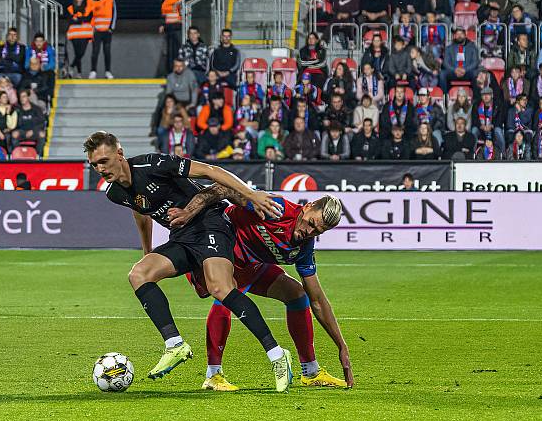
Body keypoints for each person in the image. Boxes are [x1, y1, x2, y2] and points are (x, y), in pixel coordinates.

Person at [83, 131, 293, 391]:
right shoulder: (114, 193)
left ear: (120, 154)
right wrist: (147, 250)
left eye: (104, 161)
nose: (100, 168)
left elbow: (210, 171)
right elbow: (141, 212)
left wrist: (250, 194)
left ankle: (277, 354)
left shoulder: (153, 165)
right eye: (94, 164)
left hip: (210, 223)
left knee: (221, 289)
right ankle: (175, 344)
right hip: (182, 236)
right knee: (139, 273)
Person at [166, 186, 353, 390]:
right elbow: (226, 190)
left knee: (297, 295)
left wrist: (342, 346)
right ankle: (213, 375)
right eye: (311, 224)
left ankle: (310, 371)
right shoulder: (276, 209)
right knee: (227, 294)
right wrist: (189, 212)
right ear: (307, 207)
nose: (309, 232)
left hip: (248, 265)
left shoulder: (304, 247)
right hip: (217, 250)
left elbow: (317, 300)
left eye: (318, 231)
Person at [87, 0, 116, 79]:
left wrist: (111, 28)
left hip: (107, 31)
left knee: (107, 52)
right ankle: (93, 71)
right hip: (97, 31)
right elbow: (89, 15)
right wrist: (91, 28)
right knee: (95, 51)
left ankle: (108, 71)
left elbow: (114, 12)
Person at [66, 0, 93, 78]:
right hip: (74, 34)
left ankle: (71, 66)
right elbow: (70, 21)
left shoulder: (87, 7)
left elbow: (88, 19)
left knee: (81, 53)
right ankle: (79, 73)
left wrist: (77, 19)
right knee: (77, 53)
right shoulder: (70, 8)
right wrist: (80, 20)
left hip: (85, 34)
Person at [11, 89, 46, 155]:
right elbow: (15, 124)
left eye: (24, 96)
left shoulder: (37, 109)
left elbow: (42, 123)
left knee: (42, 134)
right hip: (22, 131)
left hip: (34, 131)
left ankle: (38, 156)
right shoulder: (17, 110)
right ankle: (17, 155)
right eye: (20, 97)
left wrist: (33, 130)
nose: (22, 99)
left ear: (28, 97)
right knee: (14, 134)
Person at [160, 0, 184, 73]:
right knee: (168, 52)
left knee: (177, 51)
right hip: (168, 28)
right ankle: (170, 72)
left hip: (178, 28)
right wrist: (163, 25)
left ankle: (179, 70)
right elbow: (164, 15)